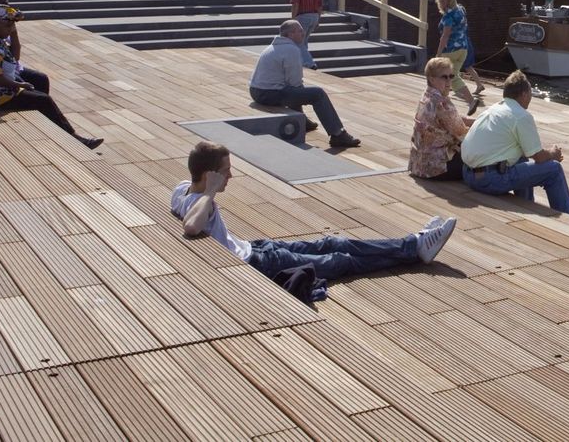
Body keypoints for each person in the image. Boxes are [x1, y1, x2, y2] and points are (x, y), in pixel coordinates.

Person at [172, 141, 454, 287]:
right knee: (340, 260)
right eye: (225, 172)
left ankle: (413, 243)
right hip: (260, 262)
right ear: (208, 176)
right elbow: (191, 228)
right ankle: (415, 247)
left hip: (257, 247)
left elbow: (185, 209)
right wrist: (210, 192)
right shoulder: (203, 203)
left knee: (336, 242)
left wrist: (205, 189)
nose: (231, 176)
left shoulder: (182, 189)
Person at [0, 5, 102, 148]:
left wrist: (12, 33)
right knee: (43, 100)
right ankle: (74, 139)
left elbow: (15, 56)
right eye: (7, 24)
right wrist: (19, 85)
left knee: (40, 80)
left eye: (13, 24)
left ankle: (47, 124)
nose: (11, 27)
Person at [459, 70, 569, 215]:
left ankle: (527, 204)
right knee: (554, 169)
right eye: (530, 93)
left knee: (521, 157)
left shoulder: (492, 110)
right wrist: (552, 153)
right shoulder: (521, 116)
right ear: (524, 94)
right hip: (490, 180)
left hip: (469, 175)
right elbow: (539, 157)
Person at [249, 19, 360, 149]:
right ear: (290, 35)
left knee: (294, 91)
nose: (303, 33)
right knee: (318, 94)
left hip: (256, 91)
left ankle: (303, 121)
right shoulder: (291, 49)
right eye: (300, 31)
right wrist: (303, 95)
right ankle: (338, 134)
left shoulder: (273, 46)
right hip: (269, 93)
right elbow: (295, 83)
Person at [409, 56, 476, 180]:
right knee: (483, 160)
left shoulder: (426, 97)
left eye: (451, 76)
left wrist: (475, 120)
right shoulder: (441, 102)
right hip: (438, 167)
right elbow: (461, 133)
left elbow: (451, 119)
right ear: (432, 79)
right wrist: (484, 124)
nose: (449, 81)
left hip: (419, 164)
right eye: (444, 77)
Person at [434, 0, 483, 109]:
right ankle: (444, 102)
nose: (441, 1)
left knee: (443, 76)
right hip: (463, 49)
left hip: (451, 51)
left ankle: (470, 102)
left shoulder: (448, 17)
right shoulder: (460, 10)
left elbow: (445, 36)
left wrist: (438, 54)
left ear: (450, 0)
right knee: (451, 76)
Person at [290, 0, 324, 70]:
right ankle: (303, 62)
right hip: (314, 16)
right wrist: (318, 18)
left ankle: (309, 63)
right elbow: (319, 5)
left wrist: (293, 19)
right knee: (304, 41)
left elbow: (295, 3)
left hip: (303, 16)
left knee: (299, 42)